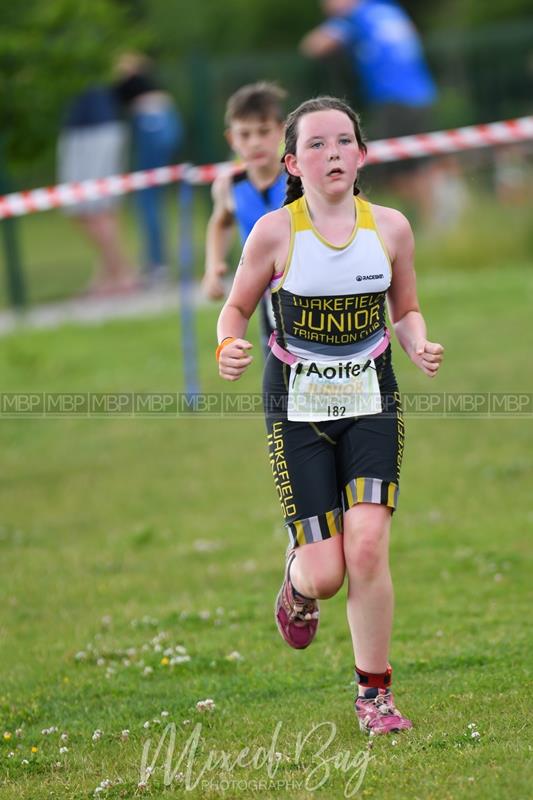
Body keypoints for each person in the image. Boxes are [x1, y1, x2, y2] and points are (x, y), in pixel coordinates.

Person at [216, 96, 444, 735]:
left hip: (372, 396)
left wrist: (418, 340)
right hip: (296, 406)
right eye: (315, 144)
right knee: (326, 572)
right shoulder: (275, 232)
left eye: (343, 141)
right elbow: (234, 311)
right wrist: (227, 344)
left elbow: (406, 307)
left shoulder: (391, 228)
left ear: (362, 155)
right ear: (293, 162)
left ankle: (374, 694)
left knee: (368, 546)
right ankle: (296, 577)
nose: (332, 153)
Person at [301, 0, 440, 222]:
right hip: (421, 92)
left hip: (393, 98)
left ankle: (406, 222)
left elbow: (314, 45)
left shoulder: (352, 18)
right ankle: (430, 221)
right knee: (415, 164)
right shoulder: (387, 9)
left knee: (386, 166)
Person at [202, 82, 287, 356]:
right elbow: (220, 222)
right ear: (232, 139)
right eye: (245, 134)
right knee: (276, 361)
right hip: (263, 290)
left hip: (307, 286)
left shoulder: (300, 178)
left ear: (281, 130)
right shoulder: (229, 185)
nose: (255, 142)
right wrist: (213, 266)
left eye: (263, 132)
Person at [57, 85, 138, 296]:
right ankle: (112, 273)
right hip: (80, 128)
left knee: (97, 208)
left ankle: (122, 273)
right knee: (83, 209)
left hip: (96, 128)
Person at [114, 52, 183, 284]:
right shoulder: (146, 84)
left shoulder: (129, 84)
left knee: (148, 199)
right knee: (151, 199)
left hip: (151, 124)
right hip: (164, 123)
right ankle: (156, 261)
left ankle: (157, 263)